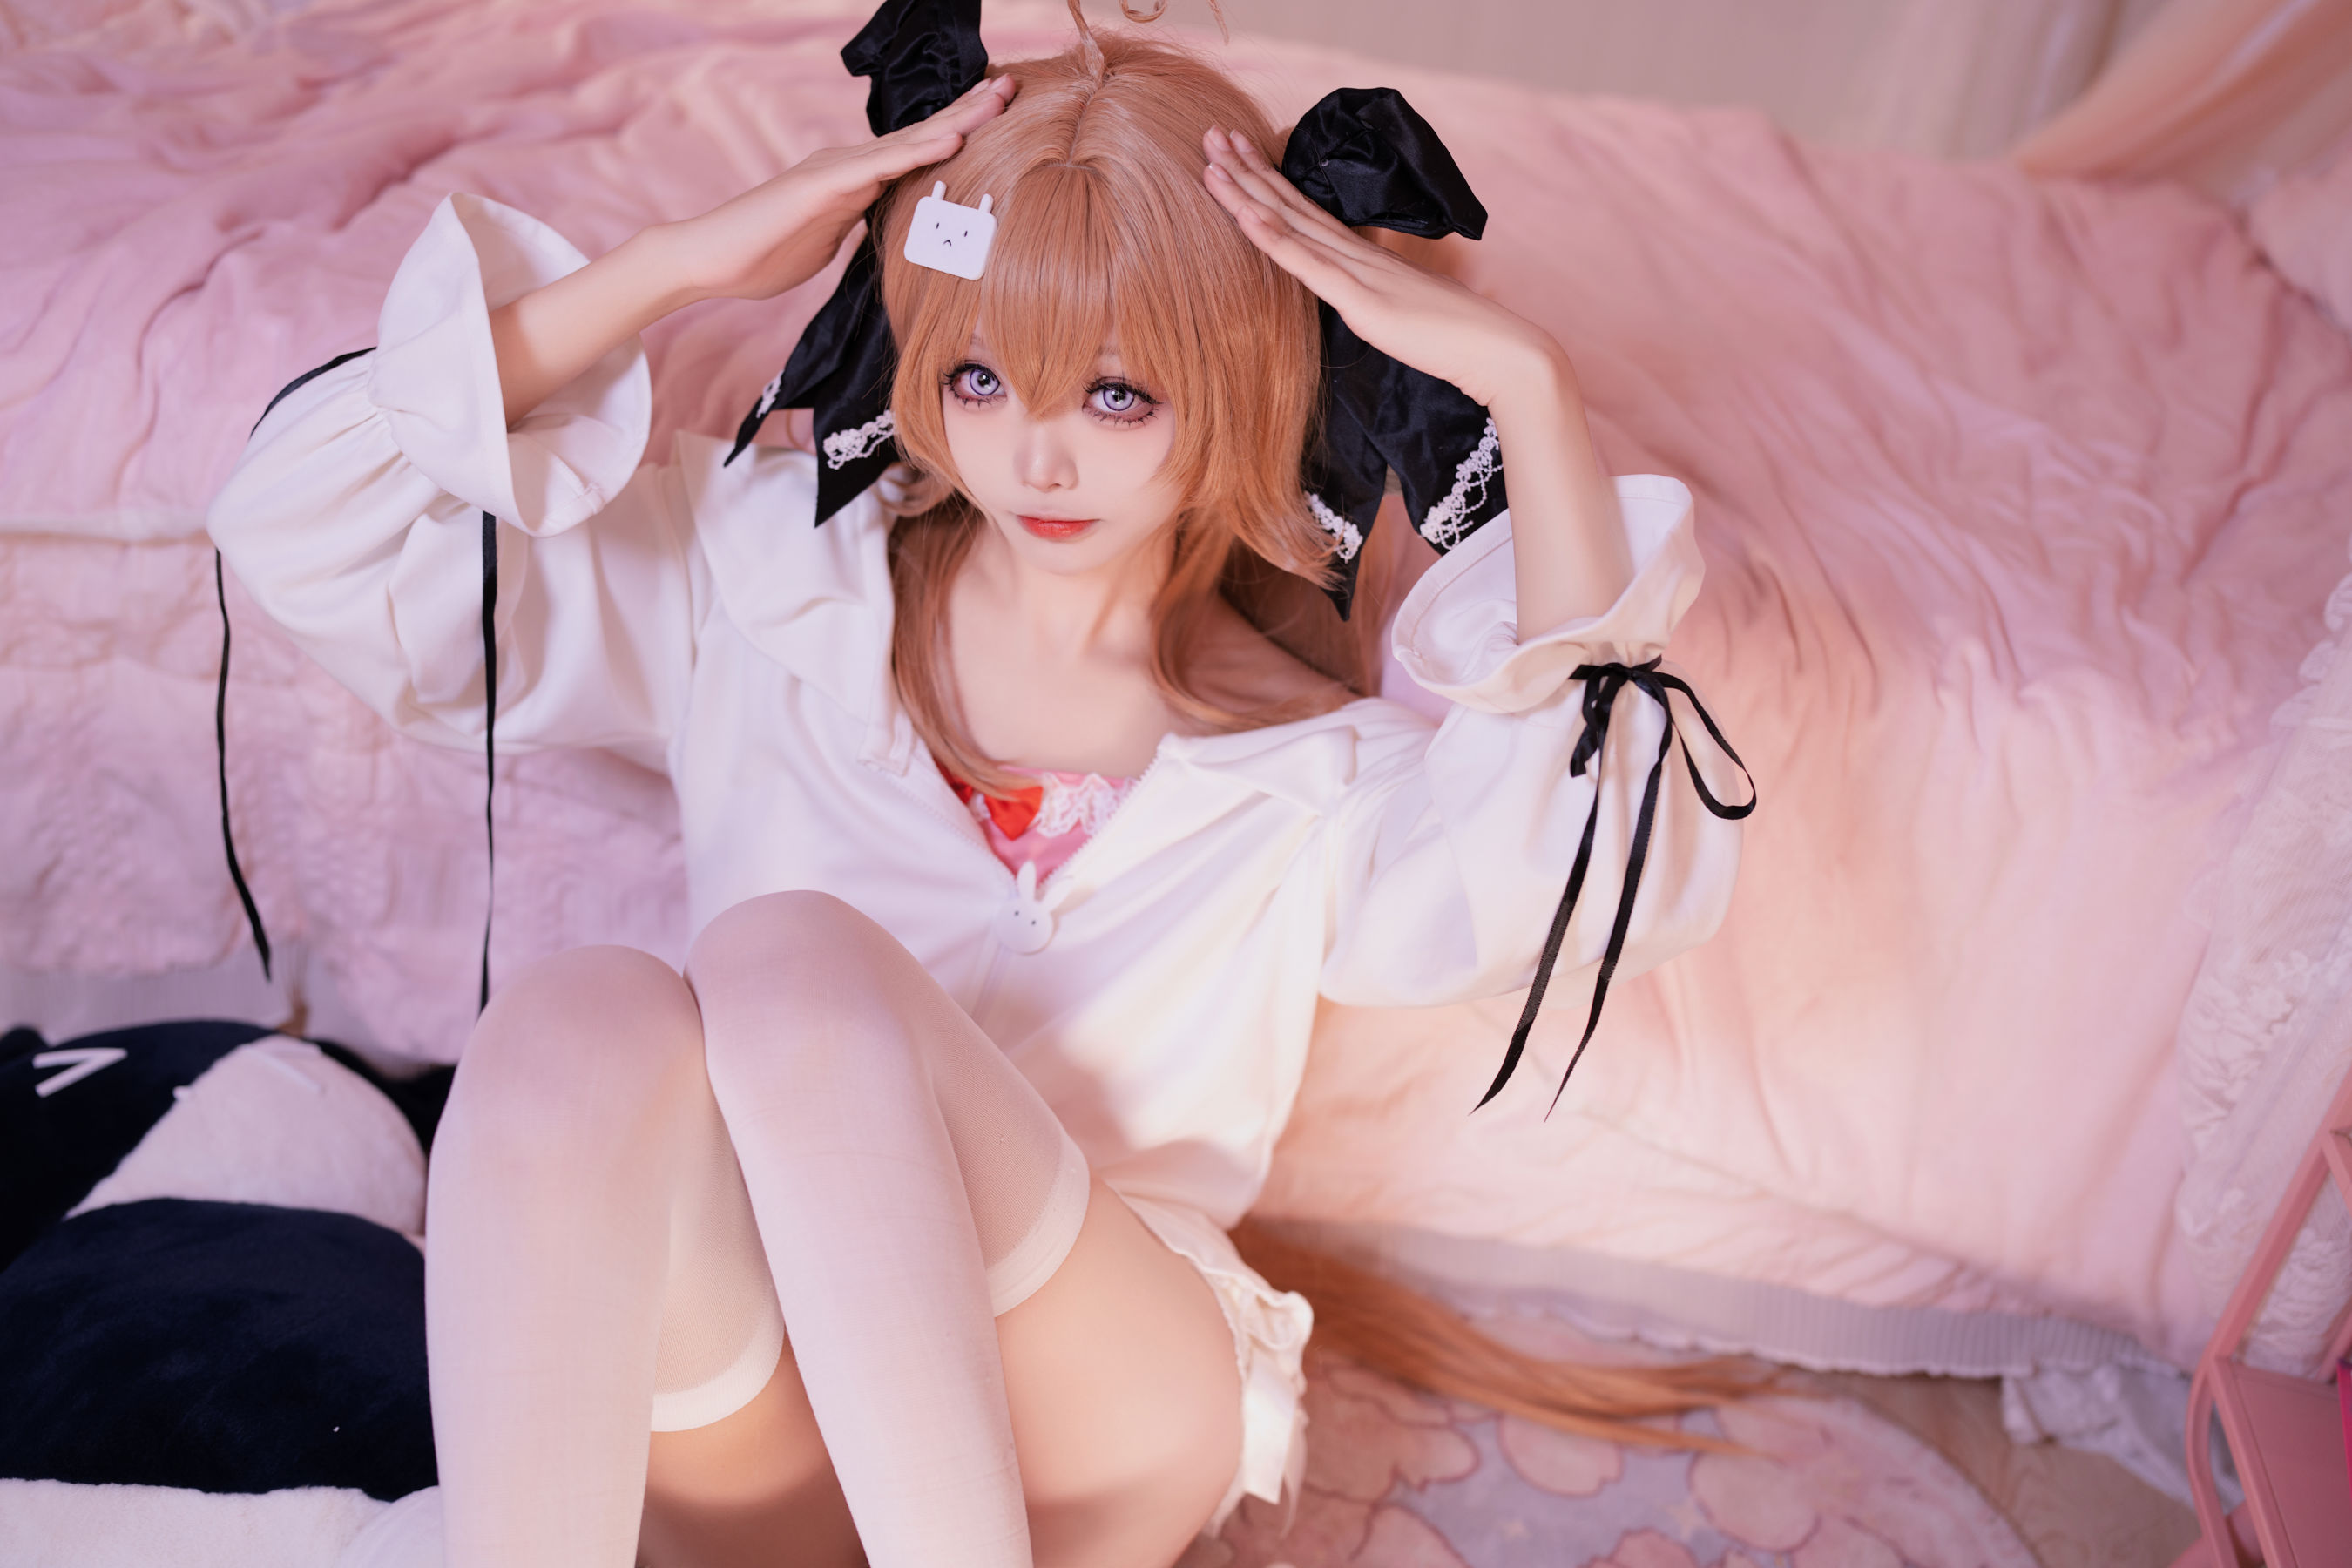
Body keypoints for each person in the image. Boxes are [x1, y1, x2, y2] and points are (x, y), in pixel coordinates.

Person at [208, 17, 1747, 1568]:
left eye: (1118, 395)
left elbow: (1593, 870)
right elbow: (307, 526)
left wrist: (1531, 391)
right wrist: (675, 266)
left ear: (1239, 382)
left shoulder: (1312, 771)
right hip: (767, 1415)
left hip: (1102, 1405)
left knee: (787, 959)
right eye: (981, 375)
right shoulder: (763, 583)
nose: (1037, 457)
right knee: (576, 1017)